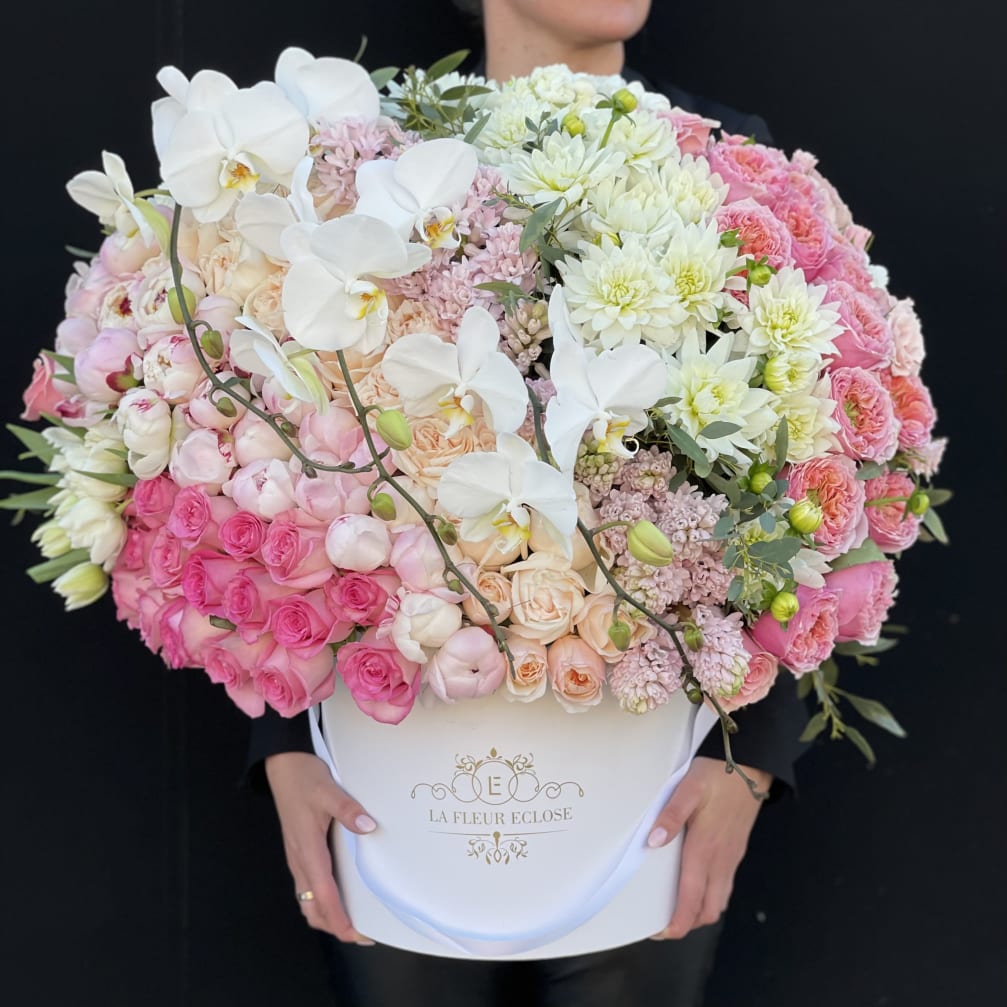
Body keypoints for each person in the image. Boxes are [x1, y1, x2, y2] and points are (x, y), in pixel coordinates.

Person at [248, 1, 809, 1002]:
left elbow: (815, 473)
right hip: (397, 765)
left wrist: (750, 759)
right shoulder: (369, 158)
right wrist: (284, 742)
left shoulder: (728, 159)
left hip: (643, 769)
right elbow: (261, 456)